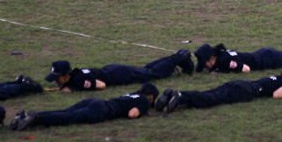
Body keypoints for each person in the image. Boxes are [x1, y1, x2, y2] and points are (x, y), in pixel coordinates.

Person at [10, 85, 156, 130]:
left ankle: (28, 116)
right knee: (68, 117)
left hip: (96, 101)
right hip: (101, 111)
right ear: (150, 96)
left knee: (65, 111)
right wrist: (143, 111)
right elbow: (132, 114)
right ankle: (36, 118)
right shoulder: (143, 101)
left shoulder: (132, 95)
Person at [156, 69, 282, 113]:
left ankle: (175, 96)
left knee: (209, 94)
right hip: (245, 91)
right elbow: (277, 95)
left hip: (241, 84)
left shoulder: (276, 77)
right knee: (211, 99)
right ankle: (180, 96)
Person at [45, 51, 194, 91]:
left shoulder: (78, 80)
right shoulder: (75, 75)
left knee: (152, 74)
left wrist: (73, 88)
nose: (56, 81)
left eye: (57, 78)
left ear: (66, 75)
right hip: (113, 69)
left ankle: (180, 56)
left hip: (118, 75)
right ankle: (176, 56)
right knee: (147, 70)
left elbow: (101, 85)